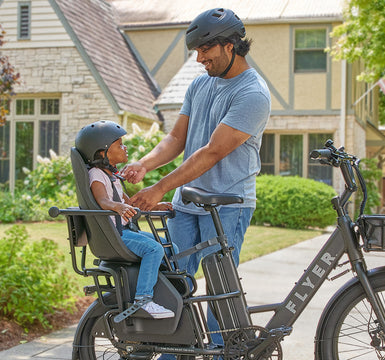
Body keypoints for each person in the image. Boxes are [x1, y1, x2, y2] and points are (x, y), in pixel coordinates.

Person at [121, 7, 271, 342]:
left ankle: (219, 350)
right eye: (196, 51)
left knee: (220, 289)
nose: (199, 58)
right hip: (187, 205)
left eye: (205, 49)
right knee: (174, 284)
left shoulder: (252, 93)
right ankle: (177, 350)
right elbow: (177, 138)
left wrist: (159, 188)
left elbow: (212, 152)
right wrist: (145, 164)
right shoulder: (200, 85)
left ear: (230, 46)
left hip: (227, 205)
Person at [75, 120, 175, 319]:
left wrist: (155, 206)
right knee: (154, 249)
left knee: (171, 248)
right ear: (102, 152)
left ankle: (164, 293)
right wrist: (117, 206)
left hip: (126, 232)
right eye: (119, 144)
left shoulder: (112, 176)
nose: (125, 147)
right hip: (116, 235)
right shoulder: (96, 175)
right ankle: (143, 299)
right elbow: (102, 199)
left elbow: (129, 202)